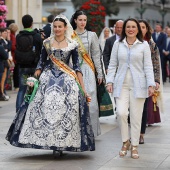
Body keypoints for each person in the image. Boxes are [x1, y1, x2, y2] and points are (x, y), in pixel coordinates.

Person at [6, 14, 95, 154]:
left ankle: (62, 142)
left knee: (68, 104)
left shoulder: (72, 44)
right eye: (55, 26)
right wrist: (34, 79)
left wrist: (82, 89)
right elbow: (41, 63)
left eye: (60, 27)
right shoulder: (46, 42)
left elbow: (77, 67)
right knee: (42, 104)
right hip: (47, 77)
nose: (57, 29)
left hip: (67, 78)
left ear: (65, 27)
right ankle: (48, 141)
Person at [106, 18, 155, 159]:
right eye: (128, 26)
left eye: (134, 26)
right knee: (121, 113)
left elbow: (148, 66)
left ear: (138, 29)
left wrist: (151, 84)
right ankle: (125, 142)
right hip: (121, 84)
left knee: (136, 116)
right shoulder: (117, 43)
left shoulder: (144, 45)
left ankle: (134, 146)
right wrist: (109, 81)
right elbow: (113, 64)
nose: (131, 29)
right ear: (124, 29)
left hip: (139, 85)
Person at [70, 10, 103, 137]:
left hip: (88, 70)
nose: (83, 22)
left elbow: (96, 54)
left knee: (91, 100)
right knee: (76, 100)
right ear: (75, 21)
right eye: (80, 20)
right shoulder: (70, 35)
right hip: (74, 71)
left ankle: (92, 131)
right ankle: (77, 131)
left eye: (84, 20)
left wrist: (99, 73)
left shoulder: (92, 35)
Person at [138, 19, 161, 144]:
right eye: (139, 27)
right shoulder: (130, 42)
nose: (141, 29)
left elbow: (156, 63)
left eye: (143, 27)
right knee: (132, 109)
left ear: (147, 29)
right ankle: (134, 132)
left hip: (147, 79)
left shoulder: (151, 44)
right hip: (132, 79)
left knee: (144, 108)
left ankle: (141, 134)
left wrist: (156, 80)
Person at [15, 14, 42, 112]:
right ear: (32, 23)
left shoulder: (19, 36)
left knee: (22, 89)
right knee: (34, 88)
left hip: (23, 66)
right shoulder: (36, 36)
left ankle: (19, 110)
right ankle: (33, 109)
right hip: (34, 67)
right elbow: (41, 50)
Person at [0, 28, 12, 100]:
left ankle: (3, 92)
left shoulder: (6, 41)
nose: (6, 34)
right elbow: (5, 50)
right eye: (5, 33)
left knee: (5, 78)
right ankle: (2, 93)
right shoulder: (1, 42)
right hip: (3, 62)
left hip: (6, 61)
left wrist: (9, 39)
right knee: (2, 79)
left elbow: (8, 48)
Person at [8, 23, 19, 91]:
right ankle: (16, 85)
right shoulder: (13, 36)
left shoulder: (11, 35)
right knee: (16, 71)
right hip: (14, 55)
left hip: (12, 54)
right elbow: (13, 46)